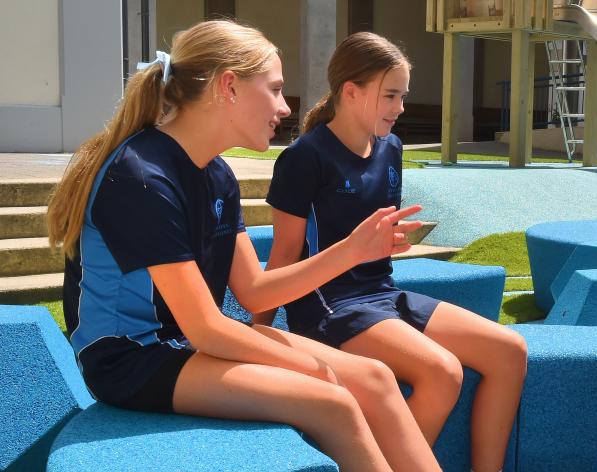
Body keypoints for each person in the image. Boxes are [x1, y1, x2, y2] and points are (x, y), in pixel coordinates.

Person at [46, 20, 441, 472]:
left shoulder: (217, 176)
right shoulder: (140, 179)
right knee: (333, 401)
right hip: (132, 358)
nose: (285, 109)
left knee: (375, 379)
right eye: (274, 90)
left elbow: (253, 291)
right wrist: (308, 366)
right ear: (228, 87)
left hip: (187, 342)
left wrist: (352, 250)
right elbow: (205, 329)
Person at [260, 32, 527, 472]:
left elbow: (372, 235)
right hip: (329, 306)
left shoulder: (391, 148)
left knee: (510, 350)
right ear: (351, 91)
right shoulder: (304, 157)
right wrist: (261, 337)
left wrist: (392, 241)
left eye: (402, 96)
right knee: (442, 372)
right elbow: (284, 255)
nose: (400, 108)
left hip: (382, 294)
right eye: (390, 96)